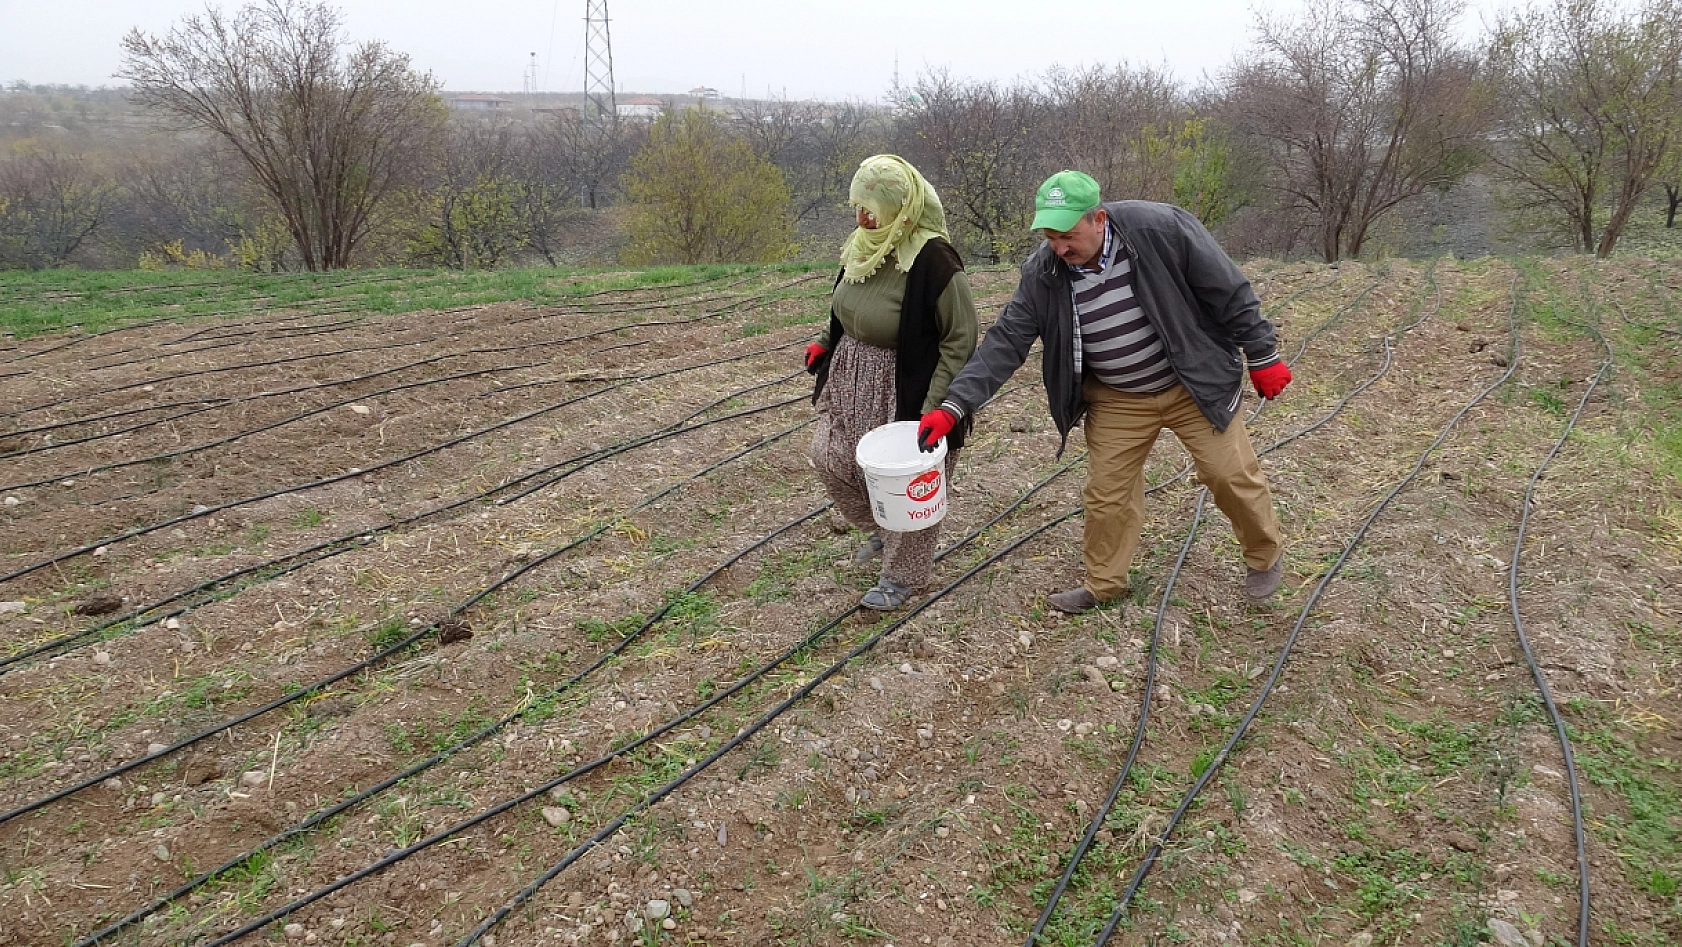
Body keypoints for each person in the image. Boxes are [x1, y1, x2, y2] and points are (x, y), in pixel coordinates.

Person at [915, 170, 1290, 613]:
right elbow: (1006, 340)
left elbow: (1230, 291)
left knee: (1228, 474)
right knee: (1107, 496)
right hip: (1118, 397)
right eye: (1050, 236)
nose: (1059, 247)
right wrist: (954, 405)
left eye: (1068, 235)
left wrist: (1263, 354)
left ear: (1098, 219)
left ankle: (1264, 557)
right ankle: (1104, 584)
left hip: (1190, 382)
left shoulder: (1161, 230)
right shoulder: (1044, 273)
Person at [806, 155, 979, 610]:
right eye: (859, 206)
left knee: (907, 482)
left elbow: (960, 338)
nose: (863, 217)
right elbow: (848, 303)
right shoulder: (864, 245)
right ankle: (880, 530)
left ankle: (904, 577)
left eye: (873, 209)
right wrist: (826, 341)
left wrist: (940, 405)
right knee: (830, 457)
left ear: (900, 208)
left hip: (908, 384)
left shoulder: (935, 260)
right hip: (852, 376)